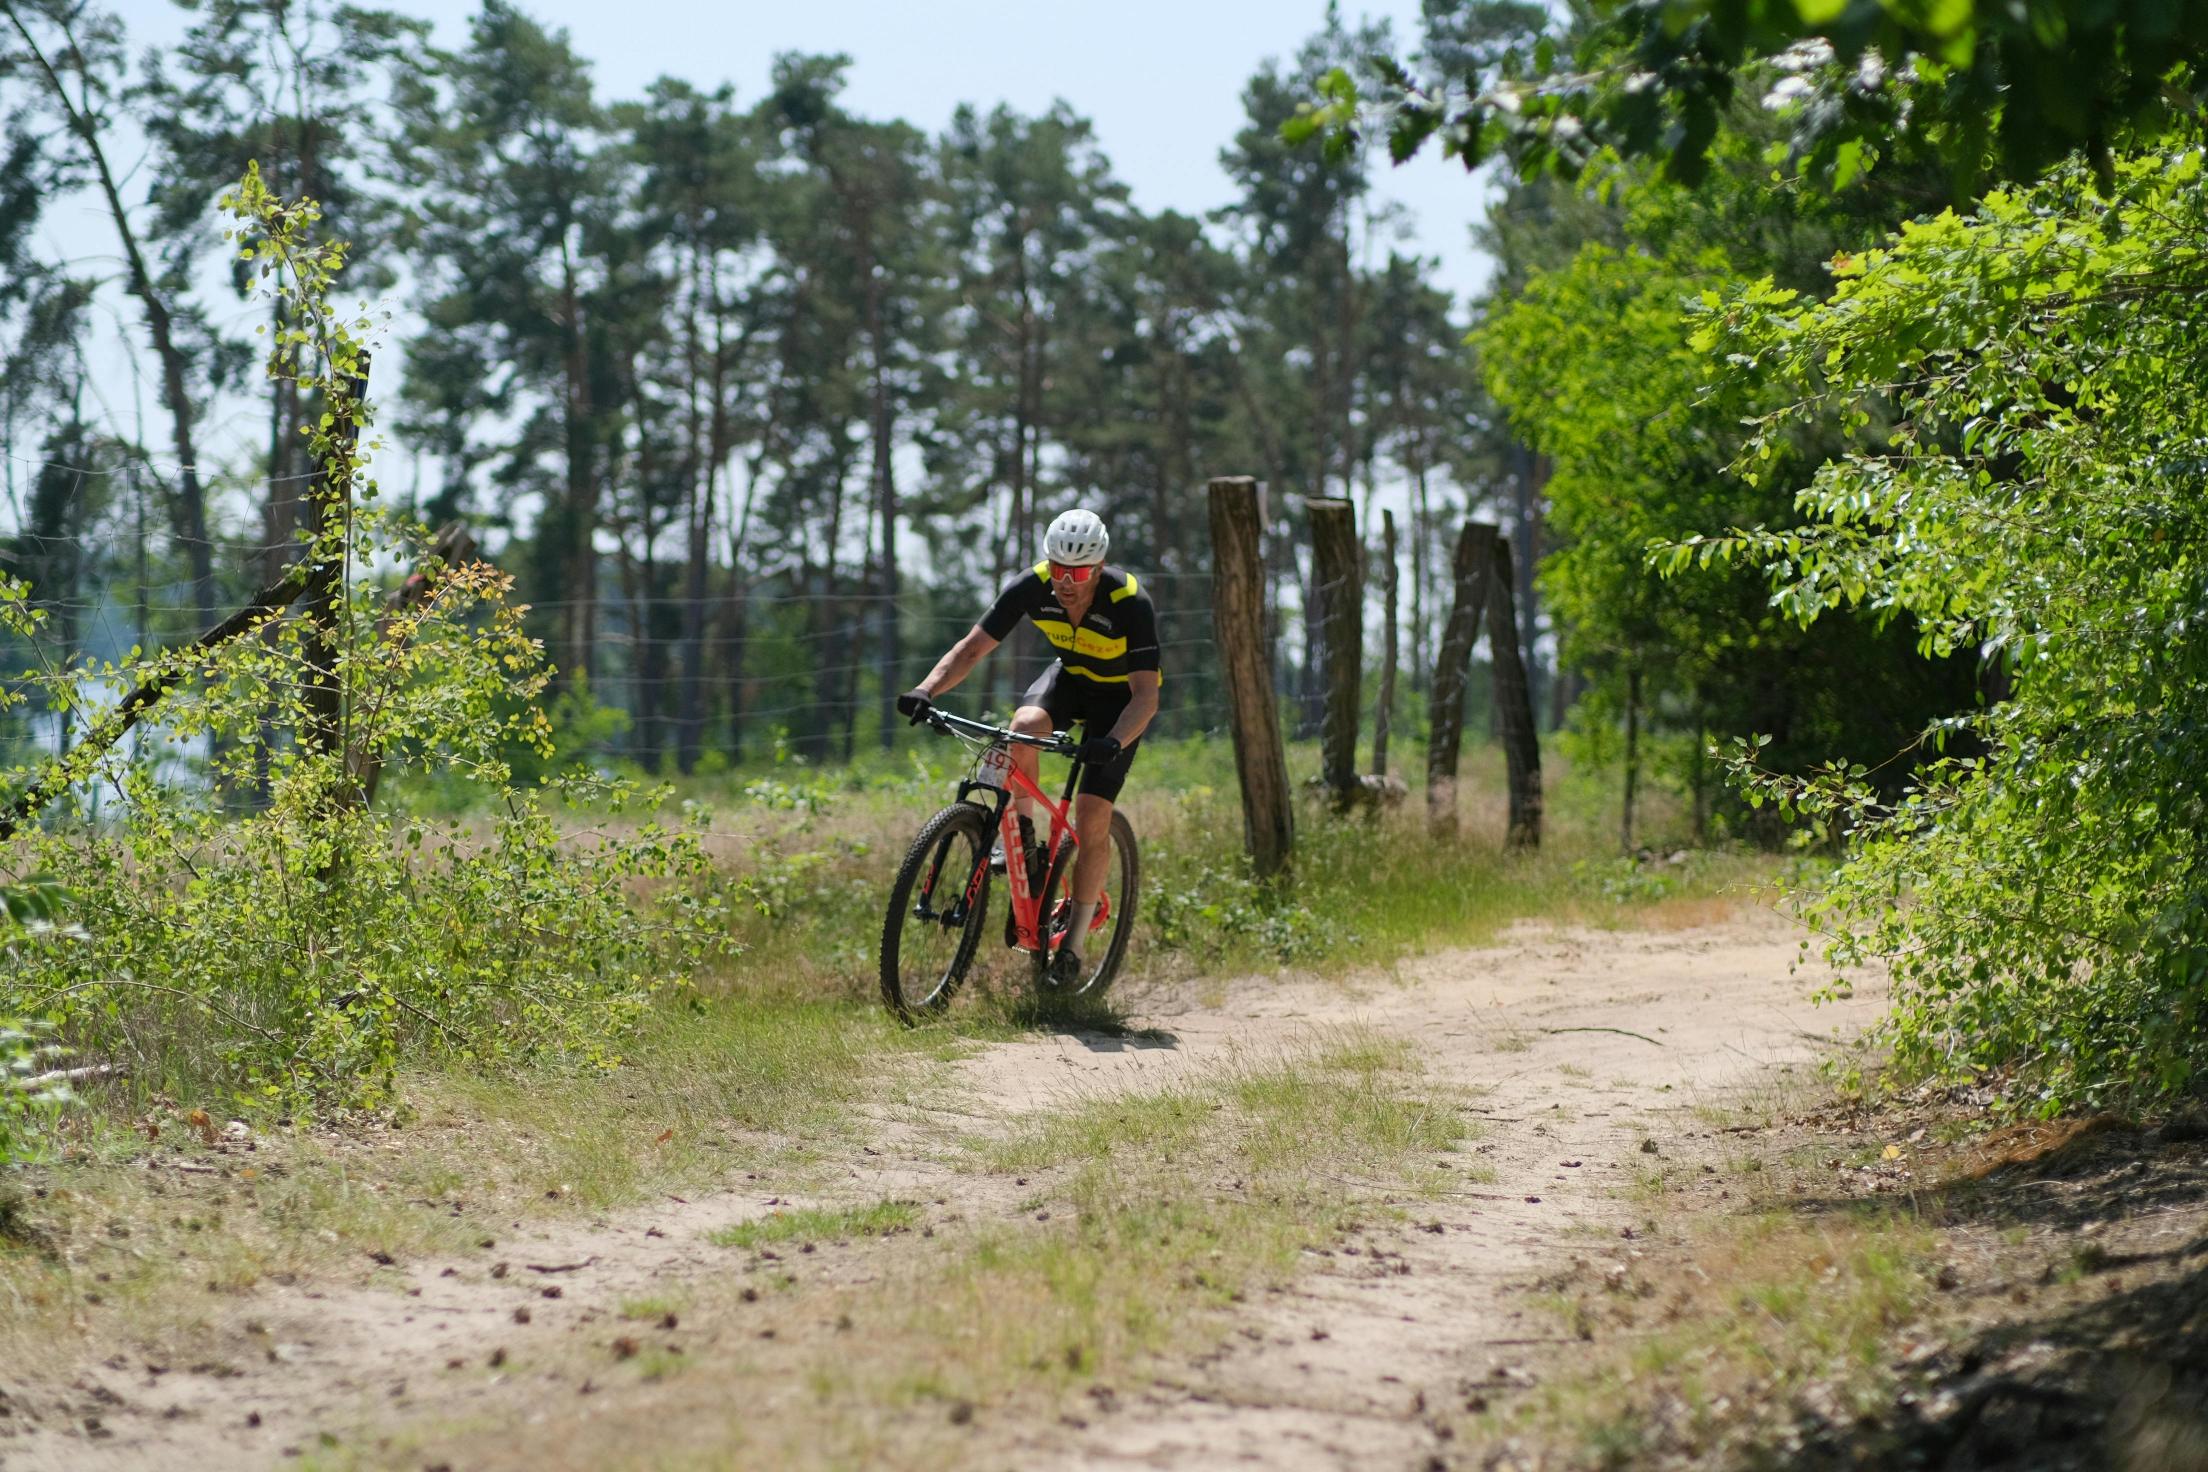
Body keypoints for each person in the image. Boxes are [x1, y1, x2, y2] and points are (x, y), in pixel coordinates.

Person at [896, 508, 1161, 986]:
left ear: (1099, 568)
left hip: (1119, 705)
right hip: (1072, 681)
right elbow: (972, 648)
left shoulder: (1128, 600)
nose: (1065, 581)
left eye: (1078, 572)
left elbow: (1146, 695)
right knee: (1022, 725)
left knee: (1091, 813)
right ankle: (1026, 842)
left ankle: (1074, 946)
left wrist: (1114, 741)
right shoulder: (1032, 586)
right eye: (1058, 568)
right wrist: (926, 690)